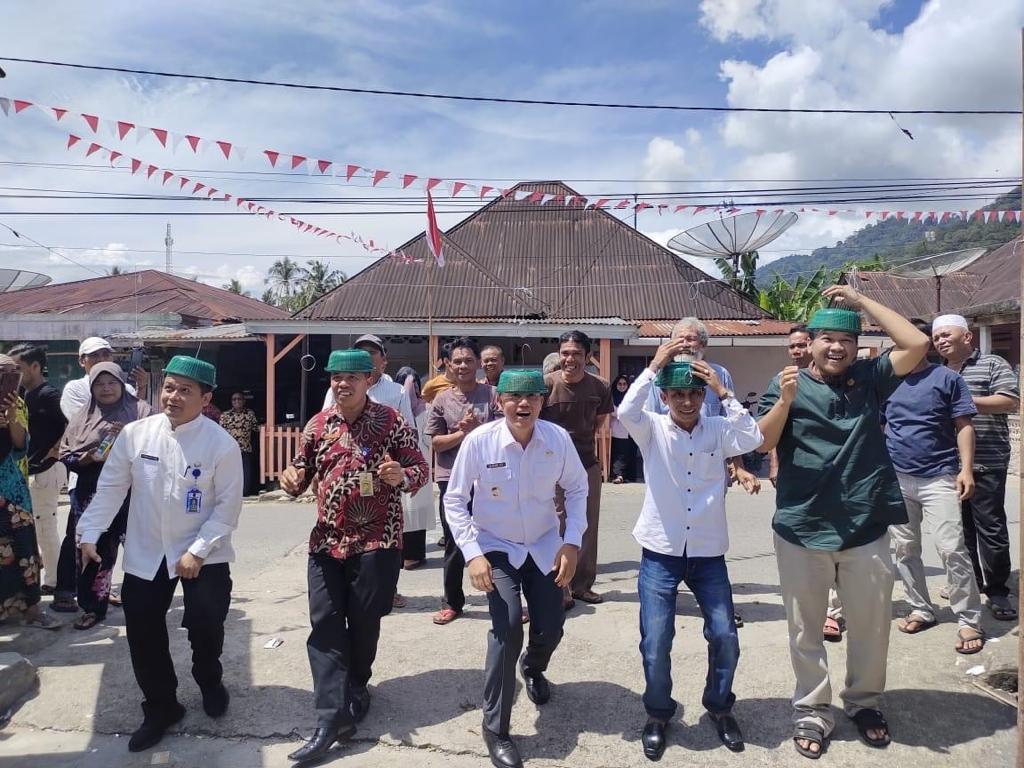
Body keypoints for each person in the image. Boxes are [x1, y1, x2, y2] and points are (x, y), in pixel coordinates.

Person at [758, 288, 929, 758]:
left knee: (872, 624)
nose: (837, 348)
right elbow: (761, 442)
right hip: (801, 526)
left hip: (865, 523)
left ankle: (864, 702)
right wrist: (785, 400)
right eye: (828, 338)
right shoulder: (786, 382)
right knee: (805, 627)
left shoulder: (870, 378)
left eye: (847, 340)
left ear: (858, 348)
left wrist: (859, 299)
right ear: (810, 342)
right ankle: (813, 710)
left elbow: (915, 344)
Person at [76, 355, 243, 752]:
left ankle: (209, 678)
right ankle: (161, 706)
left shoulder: (222, 444)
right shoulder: (135, 435)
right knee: (143, 632)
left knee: (206, 623)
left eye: (186, 390)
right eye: (169, 387)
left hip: (206, 552)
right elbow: (112, 488)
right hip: (147, 551)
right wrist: (89, 532)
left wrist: (198, 551)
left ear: (206, 398)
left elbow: (227, 509)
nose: (174, 396)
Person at [280, 349, 428, 763]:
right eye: (335, 378)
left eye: (351, 378)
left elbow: (419, 468)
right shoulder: (318, 424)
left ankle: (358, 684)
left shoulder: (391, 421)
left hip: (378, 542)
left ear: (368, 380)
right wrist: (290, 479)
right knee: (325, 623)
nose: (341, 384)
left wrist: (403, 475)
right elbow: (299, 471)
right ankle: (330, 718)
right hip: (327, 541)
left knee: (364, 621)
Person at [619, 343, 763, 759]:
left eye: (694, 393)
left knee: (724, 635)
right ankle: (659, 713)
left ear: (703, 396)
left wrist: (725, 392)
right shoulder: (651, 428)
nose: (686, 401)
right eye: (677, 394)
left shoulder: (719, 429)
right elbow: (626, 411)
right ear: (663, 398)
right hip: (660, 552)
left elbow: (752, 437)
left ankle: (719, 707)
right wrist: (656, 365)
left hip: (707, 551)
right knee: (656, 639)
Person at [445, 369, 588, 768]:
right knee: (507, 627)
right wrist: (472, 553)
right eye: (513, 398)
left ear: (542, 402)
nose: (522, 406)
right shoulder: (480, 442)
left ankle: (534, 667)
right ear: (499, 402)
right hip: (495, 547)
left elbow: (577, 489)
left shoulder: (556, 440)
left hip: (543, 546)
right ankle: (496, 727)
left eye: (531, 399)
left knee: (552, 624)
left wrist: (571, 541)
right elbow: (455, 500)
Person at [884, 320, 984, 654]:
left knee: (952, 548)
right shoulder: (888, 381)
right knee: (904, 549)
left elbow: (964, 425)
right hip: (897, 477)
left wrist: (965, 469)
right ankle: (920, 608)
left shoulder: (948, 379)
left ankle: (969, 619)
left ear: (922, 342)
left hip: (939, 476)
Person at [933, 314, 1020, 621]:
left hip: (988, 460)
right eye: (936, 337)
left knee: (991, 528)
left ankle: (997, 590)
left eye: (946, 334)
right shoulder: (937, 372)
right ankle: (970, 583)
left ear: (967, 336)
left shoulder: (993, 364)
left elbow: (1010, 400)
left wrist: (962, 399)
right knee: (960, 530)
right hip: (948, 464)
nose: (941, 340)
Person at [60, 363, 151, 629]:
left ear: (122, 384)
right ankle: (91, 607)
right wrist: (87, 457)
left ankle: (147, 603)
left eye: (112, 382)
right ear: (91, 388)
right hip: (92, 491)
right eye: (99, 384)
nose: (106, 388)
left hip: (136, 491)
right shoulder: (81, 416)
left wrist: (128, 437)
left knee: (141, 547)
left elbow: (158, 448)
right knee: (92, 549)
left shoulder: (142, 411)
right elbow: (67, 453)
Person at [769, 324, 845, 641]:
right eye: (793, 347)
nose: (798, 350)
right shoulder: (783, 381)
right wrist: (774, 463)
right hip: (799, 480)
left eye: (802, 344)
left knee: (838, 544)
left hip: (841, 481)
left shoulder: (840, 379)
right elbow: (774, 429)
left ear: (812, 344)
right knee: (807, 548)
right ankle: (811, 609)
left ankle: (833, 612)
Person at [427, 338, 501, 625]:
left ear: (477, 363)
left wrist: (477, 428)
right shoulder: (441, 400)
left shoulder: (493, 395)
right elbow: (436, 443)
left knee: (495, 538)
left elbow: (503, 433)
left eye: (468, 360)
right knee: (456, 542)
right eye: (456, 361)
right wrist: (462, 433)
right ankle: (452, 602)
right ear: (448, 365)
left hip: (489, 476)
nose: (462, 366)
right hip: (452, 478)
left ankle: (502, 599)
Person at [645, 318, 760, 496]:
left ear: (703, 344)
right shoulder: (660, 377)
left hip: (711, 472)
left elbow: (731, 424)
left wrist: (738, 466)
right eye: (679, 339)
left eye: (690, 339)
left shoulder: (718, 374)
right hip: (671, 469)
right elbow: (649, 427)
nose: (684, 344)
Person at [542, 330, 612, 607]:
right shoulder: (546, 384)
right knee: (556, 525)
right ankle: (559, 588)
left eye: (576, 354)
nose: (570, 359)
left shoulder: (600, 386)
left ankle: (583, 585)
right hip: (550, 468)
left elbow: (600, 421)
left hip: (586, 464)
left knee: (587, 524)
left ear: (587, 356)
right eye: (565, 353)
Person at [0, 354, 60, 630]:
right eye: (4, 373)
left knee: (23, 546)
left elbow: (20, 445)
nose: (9, 378)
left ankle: (32, 609)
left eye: (13, 372)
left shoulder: (18, 403)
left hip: (12, 486)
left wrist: (12, 417)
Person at [9, 343, 67, 596]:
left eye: (18, 368)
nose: (14, 374)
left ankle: (53, 582)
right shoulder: (22, 395)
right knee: (33, 529)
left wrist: (55, 451)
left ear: (35, 366)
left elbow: (71, 425)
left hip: (46, 470)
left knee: (45, 528)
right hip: (29, 470)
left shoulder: (49, 395)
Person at [321, 335, 416, 429]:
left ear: (384, 360)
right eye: (361, 352)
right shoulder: (339, 390)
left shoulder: (398, 392)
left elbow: (409, 429)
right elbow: (324, 423)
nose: (366, 356)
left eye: (371, 352)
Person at [394, 367, 434, 571]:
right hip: (411, 463)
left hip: (408, 464)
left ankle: (407, 556)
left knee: (408, 511)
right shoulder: (421, 408)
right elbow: (428, 439)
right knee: (409, 511)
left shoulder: (398, 408)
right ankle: (408, 556)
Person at [60, 337, 146, 419]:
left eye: (106, 355)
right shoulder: (75, 388)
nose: (101, 359)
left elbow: (137, 417)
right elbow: (81, 421)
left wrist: (141, 389)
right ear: (82, 361)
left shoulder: (127, 388)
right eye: (94, 355)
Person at [220, 393, 259, 497]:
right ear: (231, 401)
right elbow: (220, 432)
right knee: (231, 472)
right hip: (229, 449)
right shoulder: (225, 415)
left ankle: (244, 493)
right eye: (234, 399)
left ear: (244, 401)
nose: (237, 401)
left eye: (239, 399)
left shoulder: (250, 414)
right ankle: (231, 493)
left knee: (246, 473)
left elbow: (256, 429)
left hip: (245, 448)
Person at [609, 375, 636, 483]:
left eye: (624, 384)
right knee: (618, 453)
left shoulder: (631, 396)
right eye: (619, 384)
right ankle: (618, 475)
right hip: (617, 429)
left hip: (630, 430)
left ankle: (627, 476)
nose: (622, 386)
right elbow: (613, 411)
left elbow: (633, 409)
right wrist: (623, 413)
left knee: (628, 453)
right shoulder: (611, 397)